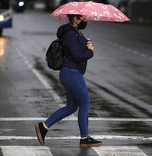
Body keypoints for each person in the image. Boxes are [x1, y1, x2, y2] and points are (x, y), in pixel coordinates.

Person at [35, 14, 102, 148]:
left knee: (71, 107)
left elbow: (75, 51)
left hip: (70, 73)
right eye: (83, 18)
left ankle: (43, 127)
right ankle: (84, 138)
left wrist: (86, 44)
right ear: (75, 19)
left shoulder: (74, 33)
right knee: (85, 102)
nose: (86, 20)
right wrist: (90, 52)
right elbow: (77, 56)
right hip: (72, 73)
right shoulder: (71, 34)